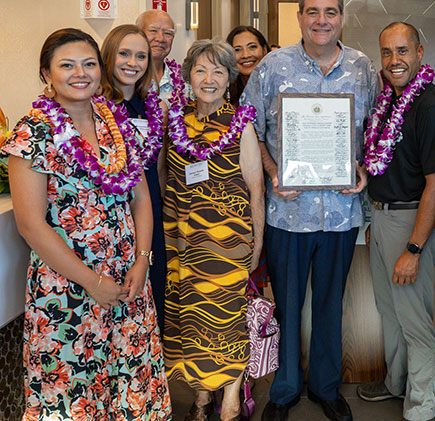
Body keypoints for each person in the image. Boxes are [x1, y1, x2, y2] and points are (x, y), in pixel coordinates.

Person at [2, 28, 171, 419]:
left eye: (89, 63)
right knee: (75, 393)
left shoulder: (116, 124)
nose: (80, 73)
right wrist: (92, 283)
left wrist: (142, 261)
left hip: (128, 281)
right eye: (67, 65)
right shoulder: (32, 133)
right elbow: (30, 225)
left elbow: (142, 198)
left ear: (101, 69)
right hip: (67, 290)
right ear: (47, 74)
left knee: (131, 383)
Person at [241, 0, 376, 421]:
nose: (322, 20)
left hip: (340, 214)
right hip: (287, 212)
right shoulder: (271, 67)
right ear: (299, 17)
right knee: (287, 305)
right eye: (313, 11)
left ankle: (325, 386)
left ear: (342, 17)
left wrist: (363, 167)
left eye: (331, 12)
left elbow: (374, 129)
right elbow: (249, 129)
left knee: (331, 305)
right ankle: (283, 392)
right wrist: (273, 171)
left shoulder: (362, 68)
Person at [162, 40, 265, 421]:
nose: (209, 79)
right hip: (182, 240)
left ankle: (232, 401)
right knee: (190, 320)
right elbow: (164, 178)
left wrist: (256, 244)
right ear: (188, 75)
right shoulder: (174, 120)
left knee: (227, 320)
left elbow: (256, 190)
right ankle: (203, 397)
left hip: (227, 243)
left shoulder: (241, 124)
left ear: (229, 79)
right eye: (201, 70)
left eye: (219, 71)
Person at [356, 22, 435, 421]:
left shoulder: (429, 105)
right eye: (387, 52)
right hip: (381, 218)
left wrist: (414, 248)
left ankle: (422, 404)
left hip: (410, 221)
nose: (394, 61)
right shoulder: (390, 102)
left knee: (413, 318)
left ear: (419, 52)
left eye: (402, 51)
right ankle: (396, 382)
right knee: (390, 310)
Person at [100, 24, 170, 330]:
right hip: (111, 213)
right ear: (108, 57)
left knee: (151, 288)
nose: (133, 62)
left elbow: (160, 165)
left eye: (140, 56)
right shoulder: (95, 108)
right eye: (124, 54)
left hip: (149, 208)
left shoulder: (154, 109)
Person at [136, 10, 179, 101]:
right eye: (153, 31)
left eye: (167, 33)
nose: (161, 38)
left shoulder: (183, 82)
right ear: (138, 34)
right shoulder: (127, 77)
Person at [226, 25, 270, 103]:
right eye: (237, 50)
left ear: (264, 50)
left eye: (252, 47)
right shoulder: (224, 90)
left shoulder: (277, 87)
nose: (245, 55)